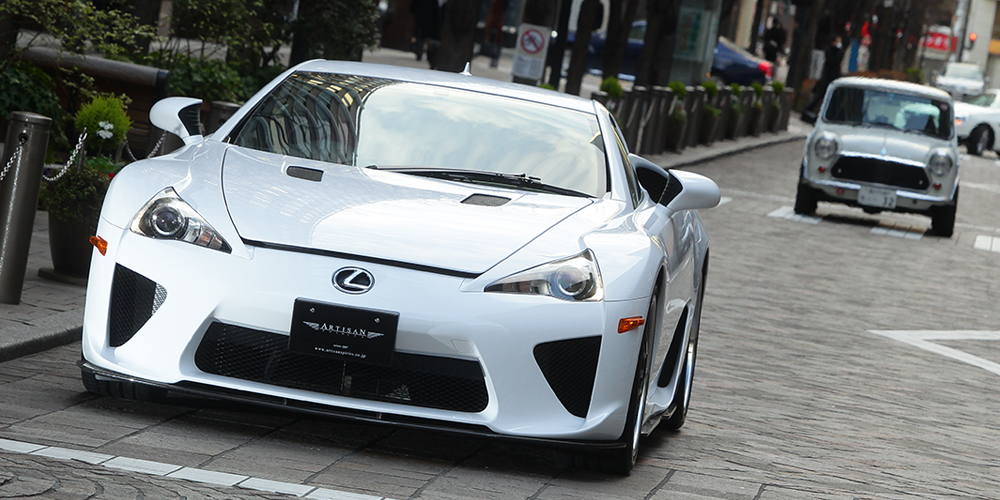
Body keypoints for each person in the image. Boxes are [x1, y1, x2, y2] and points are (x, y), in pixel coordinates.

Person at [807, 35, 845, 114]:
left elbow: (839, 61)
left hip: (834, 77)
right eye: (837, 41)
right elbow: (831, 61)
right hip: (827, 77)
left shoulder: (840, 52)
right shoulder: (829, 51)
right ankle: (809, 109)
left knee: (833, 97)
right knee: (820, 95)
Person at [410, 0, 442, 68]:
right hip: (430, 21)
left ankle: (422, 54)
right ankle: (429, 58)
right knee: (428, 40)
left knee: (423, 38)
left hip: (424, 20)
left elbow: (413, 8)